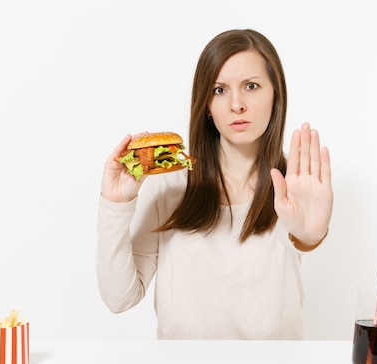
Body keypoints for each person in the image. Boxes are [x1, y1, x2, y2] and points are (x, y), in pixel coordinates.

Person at [96, 29, 333, 339]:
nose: (237, 104)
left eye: (251, 86)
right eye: (220, 90)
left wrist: (310, 235)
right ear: (206, 104)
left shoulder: (295, 185)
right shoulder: (169, 186)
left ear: (276, 95)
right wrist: (115, 205)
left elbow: (302, 235)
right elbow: (119, 298)